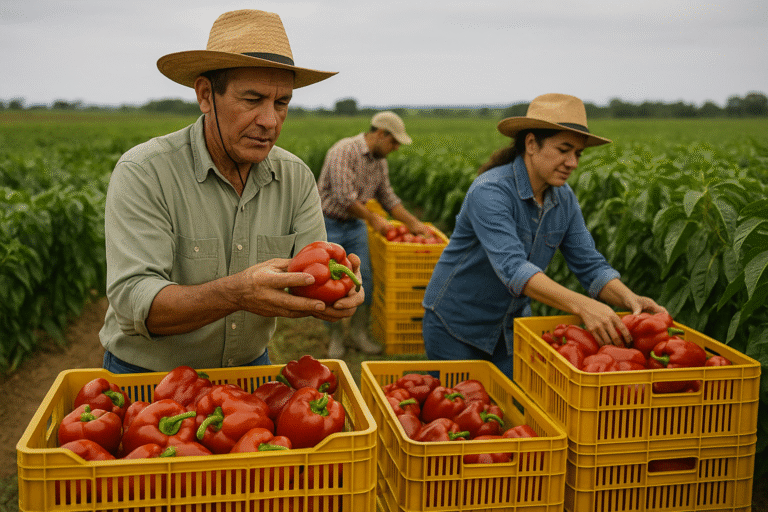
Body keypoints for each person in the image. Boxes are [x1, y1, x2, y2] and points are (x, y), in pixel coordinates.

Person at [99, 9, 364, 373]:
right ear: (206, 95)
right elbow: (135, 302)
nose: (270, 121)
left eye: (281, 103)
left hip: (249, 370)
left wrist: (340, 289)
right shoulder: (145, 173)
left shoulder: (295, 177)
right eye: (252, 100)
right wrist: (236, 293)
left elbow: (312, 271)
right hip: (150, 378)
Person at [421, 93, 665, 379]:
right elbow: (514, 269)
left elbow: (590, 265)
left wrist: (630, 298)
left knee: (510, 413)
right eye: (564, 149)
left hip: (511, 330)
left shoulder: (564, 199)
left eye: (577, 153)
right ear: (532, 144)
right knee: (460, 407)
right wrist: (584, 305)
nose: (572, 162)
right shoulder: (490, 191)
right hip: (458, 326)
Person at [317, 111, 433, 358]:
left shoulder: (379, 162)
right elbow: (343, 197)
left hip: (355, 224)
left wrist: (414, 223)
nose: (395, 148)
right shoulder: (344, 151)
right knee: (331, 284)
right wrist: (373, 218)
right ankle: (336, 338)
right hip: (329, 224)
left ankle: (359, 334)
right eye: (393, 142)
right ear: (380, 134)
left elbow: (387, 197)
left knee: (364, 279)